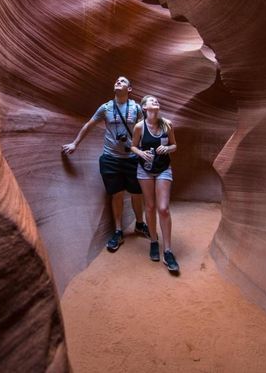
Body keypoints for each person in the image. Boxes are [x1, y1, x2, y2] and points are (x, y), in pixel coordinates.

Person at [62, 76, 150, 252]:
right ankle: (118, 231)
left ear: (130, 89)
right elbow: (89, 124)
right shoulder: (106, 107)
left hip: (132, 158)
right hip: (111, 158)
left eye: (122, 81)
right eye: (116, 80)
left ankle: (140, 224)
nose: (118, 82)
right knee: (116, 194)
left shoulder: (136, 108)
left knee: (136, 193)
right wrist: (75, 143)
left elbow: (145, 130)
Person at [130, 95, 180, 274]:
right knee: (150, 207)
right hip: (144, 170)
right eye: (151, 101)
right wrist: (140, 154)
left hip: (163, 169)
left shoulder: (167, 124)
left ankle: (168, 251)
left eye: (157, 101)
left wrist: (168, 148)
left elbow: (174, 145)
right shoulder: (139, 127)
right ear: (144, 108)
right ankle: (153, 241)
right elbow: (133, 146)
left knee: (163, 208)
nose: (155, 102)